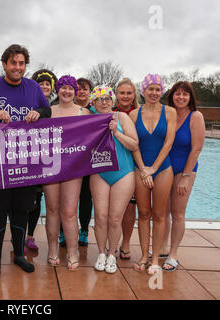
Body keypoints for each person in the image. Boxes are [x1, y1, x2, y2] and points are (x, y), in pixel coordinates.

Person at [0, 44, 51, 277]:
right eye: (13, 62)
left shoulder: (33, 87)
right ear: (4, 64)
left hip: (24, 159)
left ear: (25, 66)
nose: (17, 67)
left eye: (21, 63)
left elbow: (48, 113)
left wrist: (39, 114)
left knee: (21, 210)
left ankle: (19, 255)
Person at [129, 74, 177, 275]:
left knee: (158, 215)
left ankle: (156, 257)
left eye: (158, 89)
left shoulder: (170, 112)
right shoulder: (133, 114)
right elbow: (134, 145)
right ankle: (143, 255)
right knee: (143, 214)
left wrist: (153, 168)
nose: (154, 93)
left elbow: (168, 143)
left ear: (162, 91)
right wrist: (143, 169)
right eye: (151, 89)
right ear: (144, 90)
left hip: (163, 169)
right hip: (141, 169)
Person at [89, 86, 139, 273]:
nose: (104, 102)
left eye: (107, 99)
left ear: (112, 101)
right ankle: (101, 252)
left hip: (123, 172)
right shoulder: (88, 120)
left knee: (115, 218)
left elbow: (134, 144)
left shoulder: (121, 118)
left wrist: (116, 132)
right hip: (99, 172)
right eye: (100, 99)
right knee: (101, 216)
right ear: (93, 103)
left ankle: (112, 254)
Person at [43, 75, 90, 270]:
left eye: (71, 88)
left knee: (69, 212)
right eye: (63, 88)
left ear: (75, 91)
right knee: (52, 209)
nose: (67, 91)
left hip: (73, 166)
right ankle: (52, 249)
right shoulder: (48, 111)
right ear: (58, 89)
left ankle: (73, 251)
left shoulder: (84, 112)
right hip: (50, 165)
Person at [160, 81, 205, 271]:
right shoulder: (167, 114)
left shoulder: (196, 116)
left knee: (178, 213)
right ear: (172, 96)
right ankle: (162, 247)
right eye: (177, 94)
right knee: (163, 212)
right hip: (165, 169)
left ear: (190, 97)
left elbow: (196, 149)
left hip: (184, 170)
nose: (180, 97)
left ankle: (173, 254)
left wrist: (186, 176)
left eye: (184, 94)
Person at [59, 77, 94, 248]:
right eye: (78, 88)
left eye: (84, 89)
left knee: (85, 197)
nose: (81, 91)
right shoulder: (58, 107)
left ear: (89, 92)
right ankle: (62, 231)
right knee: (63, 200)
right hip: (63, 161)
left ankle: (84, 230)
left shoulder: (93, 111)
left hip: (84, 162)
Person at [27, 69, 59, 252]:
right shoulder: (27, 103)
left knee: (37, 199)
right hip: (26, 156)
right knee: (25, 198)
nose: (45, 86)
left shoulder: (55, 107)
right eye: (41, 83)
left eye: (48, 84)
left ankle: (30, 236)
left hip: (47, 158)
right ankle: (20, 233)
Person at [113, 78, 140, 260]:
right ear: (116, 94)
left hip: (136, 164)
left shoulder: (140, 113)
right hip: (116, 164)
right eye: (122, 92)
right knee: (112, 210)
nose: (125, 96)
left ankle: (126, 243)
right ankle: (111, 243)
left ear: (134, 95)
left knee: (131, 208)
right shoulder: (109, 112)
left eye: (129, 93)